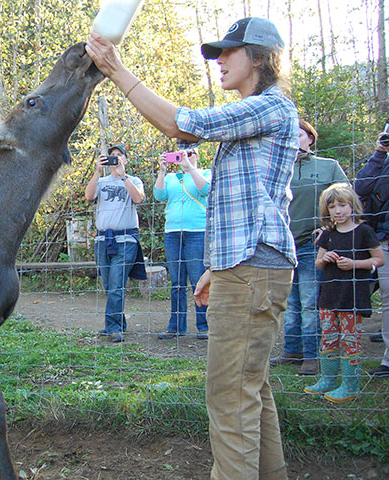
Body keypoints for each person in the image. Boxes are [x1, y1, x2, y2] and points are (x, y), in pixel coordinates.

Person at [88, 17, 298, 479]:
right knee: (251, 390)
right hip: (246, 266)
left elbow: (184, 123)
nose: (218, 60)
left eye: (229, 51)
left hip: (253, 270)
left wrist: (118, 71)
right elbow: (244, 205)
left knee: (229, 396)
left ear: (260, 58)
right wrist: (215, 268)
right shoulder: (260, 115)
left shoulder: (270, 108)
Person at [270, 120, 349, 375]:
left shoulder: (328, 167)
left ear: (310, 139)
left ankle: (313, 355)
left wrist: (329, 228)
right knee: (288, 303)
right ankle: (292, 350)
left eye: (299, 134)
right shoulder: (277, 168)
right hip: (282, 246)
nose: (294, 139)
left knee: (310, 302)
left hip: (312, 246)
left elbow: (347, 200)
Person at [304, 183, 385, 402]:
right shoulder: (328, 234)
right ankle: (328, 380)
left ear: (352, 206)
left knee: (350, 339)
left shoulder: (364, 231)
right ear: (326, 210)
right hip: (328, 295)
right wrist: (326, 258)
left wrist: (355, 263)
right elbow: (319, 263)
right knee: (328, 337)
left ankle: (351, 385)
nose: (338, 211)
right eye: (332, 207)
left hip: (352, 296)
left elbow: (379, 259)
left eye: (342, 205)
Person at [85, 144, 147, 343]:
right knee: (108, 285)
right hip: (103, 240)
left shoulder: (134, 180)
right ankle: (118, 323)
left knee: (117, 285)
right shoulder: (101, 182)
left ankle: (112, 328)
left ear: (126, 160)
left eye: (120, 156)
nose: (116, 159)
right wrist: (96, 171)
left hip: (126, 240)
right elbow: (88, 196)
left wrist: (123, 176)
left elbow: (138, 198)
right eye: (112, 156)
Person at [153, 148, 210, 340]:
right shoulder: (171, 177)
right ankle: (176, 326)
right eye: (182, 153)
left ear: (198, 155)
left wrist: (190, 168)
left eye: (191, 152)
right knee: (177, 282)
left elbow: (206, 190)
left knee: (198, 280)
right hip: (173, 233)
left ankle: (205, 326)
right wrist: (161, 171)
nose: (186, 156)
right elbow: (159, 196)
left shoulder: (205, 173)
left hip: (197, 232)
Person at [354, 132, 389, 378]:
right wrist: (379, 153)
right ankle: (388, 360)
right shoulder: (382, 162)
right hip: (384, 239)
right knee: (388, 299)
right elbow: (361, 187)